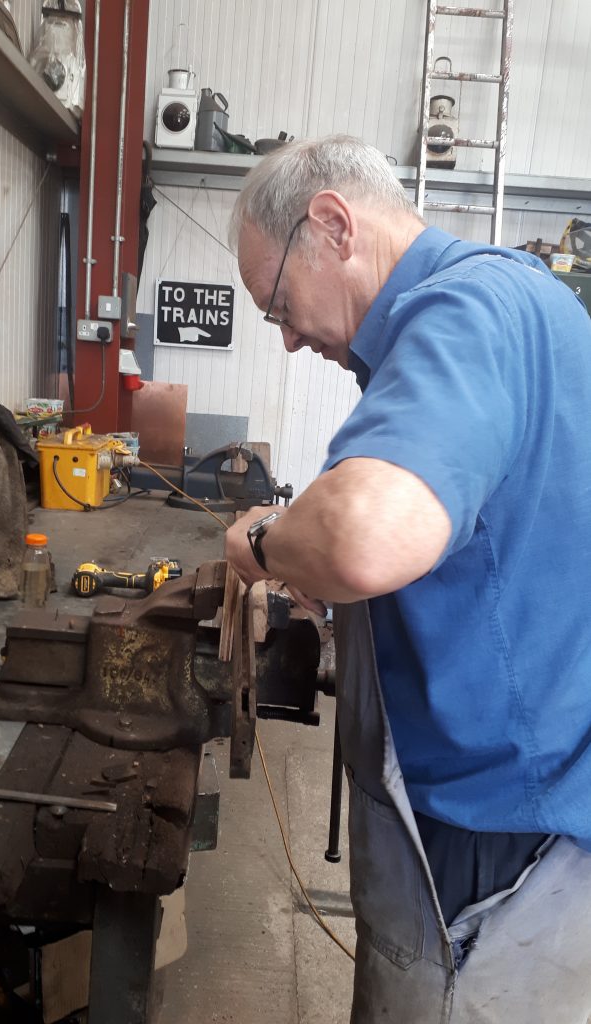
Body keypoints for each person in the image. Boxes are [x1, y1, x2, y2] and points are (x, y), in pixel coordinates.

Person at [224, 135, 591, 1023]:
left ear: (333, 224)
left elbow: (362, 533)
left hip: (492, 835)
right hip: (539, 797)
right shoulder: (533, 304)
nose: (284, 340)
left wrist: (264, 543)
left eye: (277, 303)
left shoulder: (460, 309)